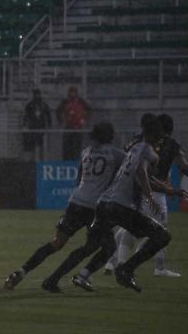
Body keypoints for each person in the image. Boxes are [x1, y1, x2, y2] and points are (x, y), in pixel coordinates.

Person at [48, 119, 184, 293]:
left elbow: (142, 176)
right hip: (122, 206)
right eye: (160, 137)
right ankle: (126, 269)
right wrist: (150, 197)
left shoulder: (133, 149)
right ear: (156, 136)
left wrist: (168, 190)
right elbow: (142, 172)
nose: (161, 141)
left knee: (94, 246)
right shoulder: (149, 152)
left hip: (104, 204)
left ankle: (65, 277)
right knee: (163, 236)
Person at [4, 123, 124, 292]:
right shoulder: (117, 155)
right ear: (110, 136)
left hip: (76, 202)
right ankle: (59, 278)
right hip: (96, 207)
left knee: (56, 243)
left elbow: (79, 180)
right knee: (104, 247)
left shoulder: (86, 152)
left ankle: (21, 272)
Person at [105, 114, 188, 278]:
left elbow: (126, 162)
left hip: (134, 190)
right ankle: (157, 267)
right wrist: (167, 188)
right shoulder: (170, 144)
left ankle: (112, 261)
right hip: (154, 191)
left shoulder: (135, 141)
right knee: (159, 230)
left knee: (131, 226)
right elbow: (183, 167)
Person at [57, 85, 90, 161]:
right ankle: (66, 162)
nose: (72, 94)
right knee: (67, 147)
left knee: (77, 147)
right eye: (71, 92)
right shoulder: (65, 101)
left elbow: (89, 110)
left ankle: (76, 162)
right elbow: (58, 111)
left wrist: (85, 120)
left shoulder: (81, 101)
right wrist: (61, 121)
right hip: (68, 128)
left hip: (78, 128)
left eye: (74, 92)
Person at [22, 89, 52, 161]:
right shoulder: (30, 105)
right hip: (32, 129)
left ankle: (42, 161)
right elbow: (26, 116)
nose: (37, 96)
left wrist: (49, 126)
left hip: (41, 129)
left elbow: (48, 116)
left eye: (38, 94)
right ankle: (32, 162)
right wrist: (26, 126)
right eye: (35, 94)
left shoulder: (44, 105)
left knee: (41, 146)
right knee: (32, 147)